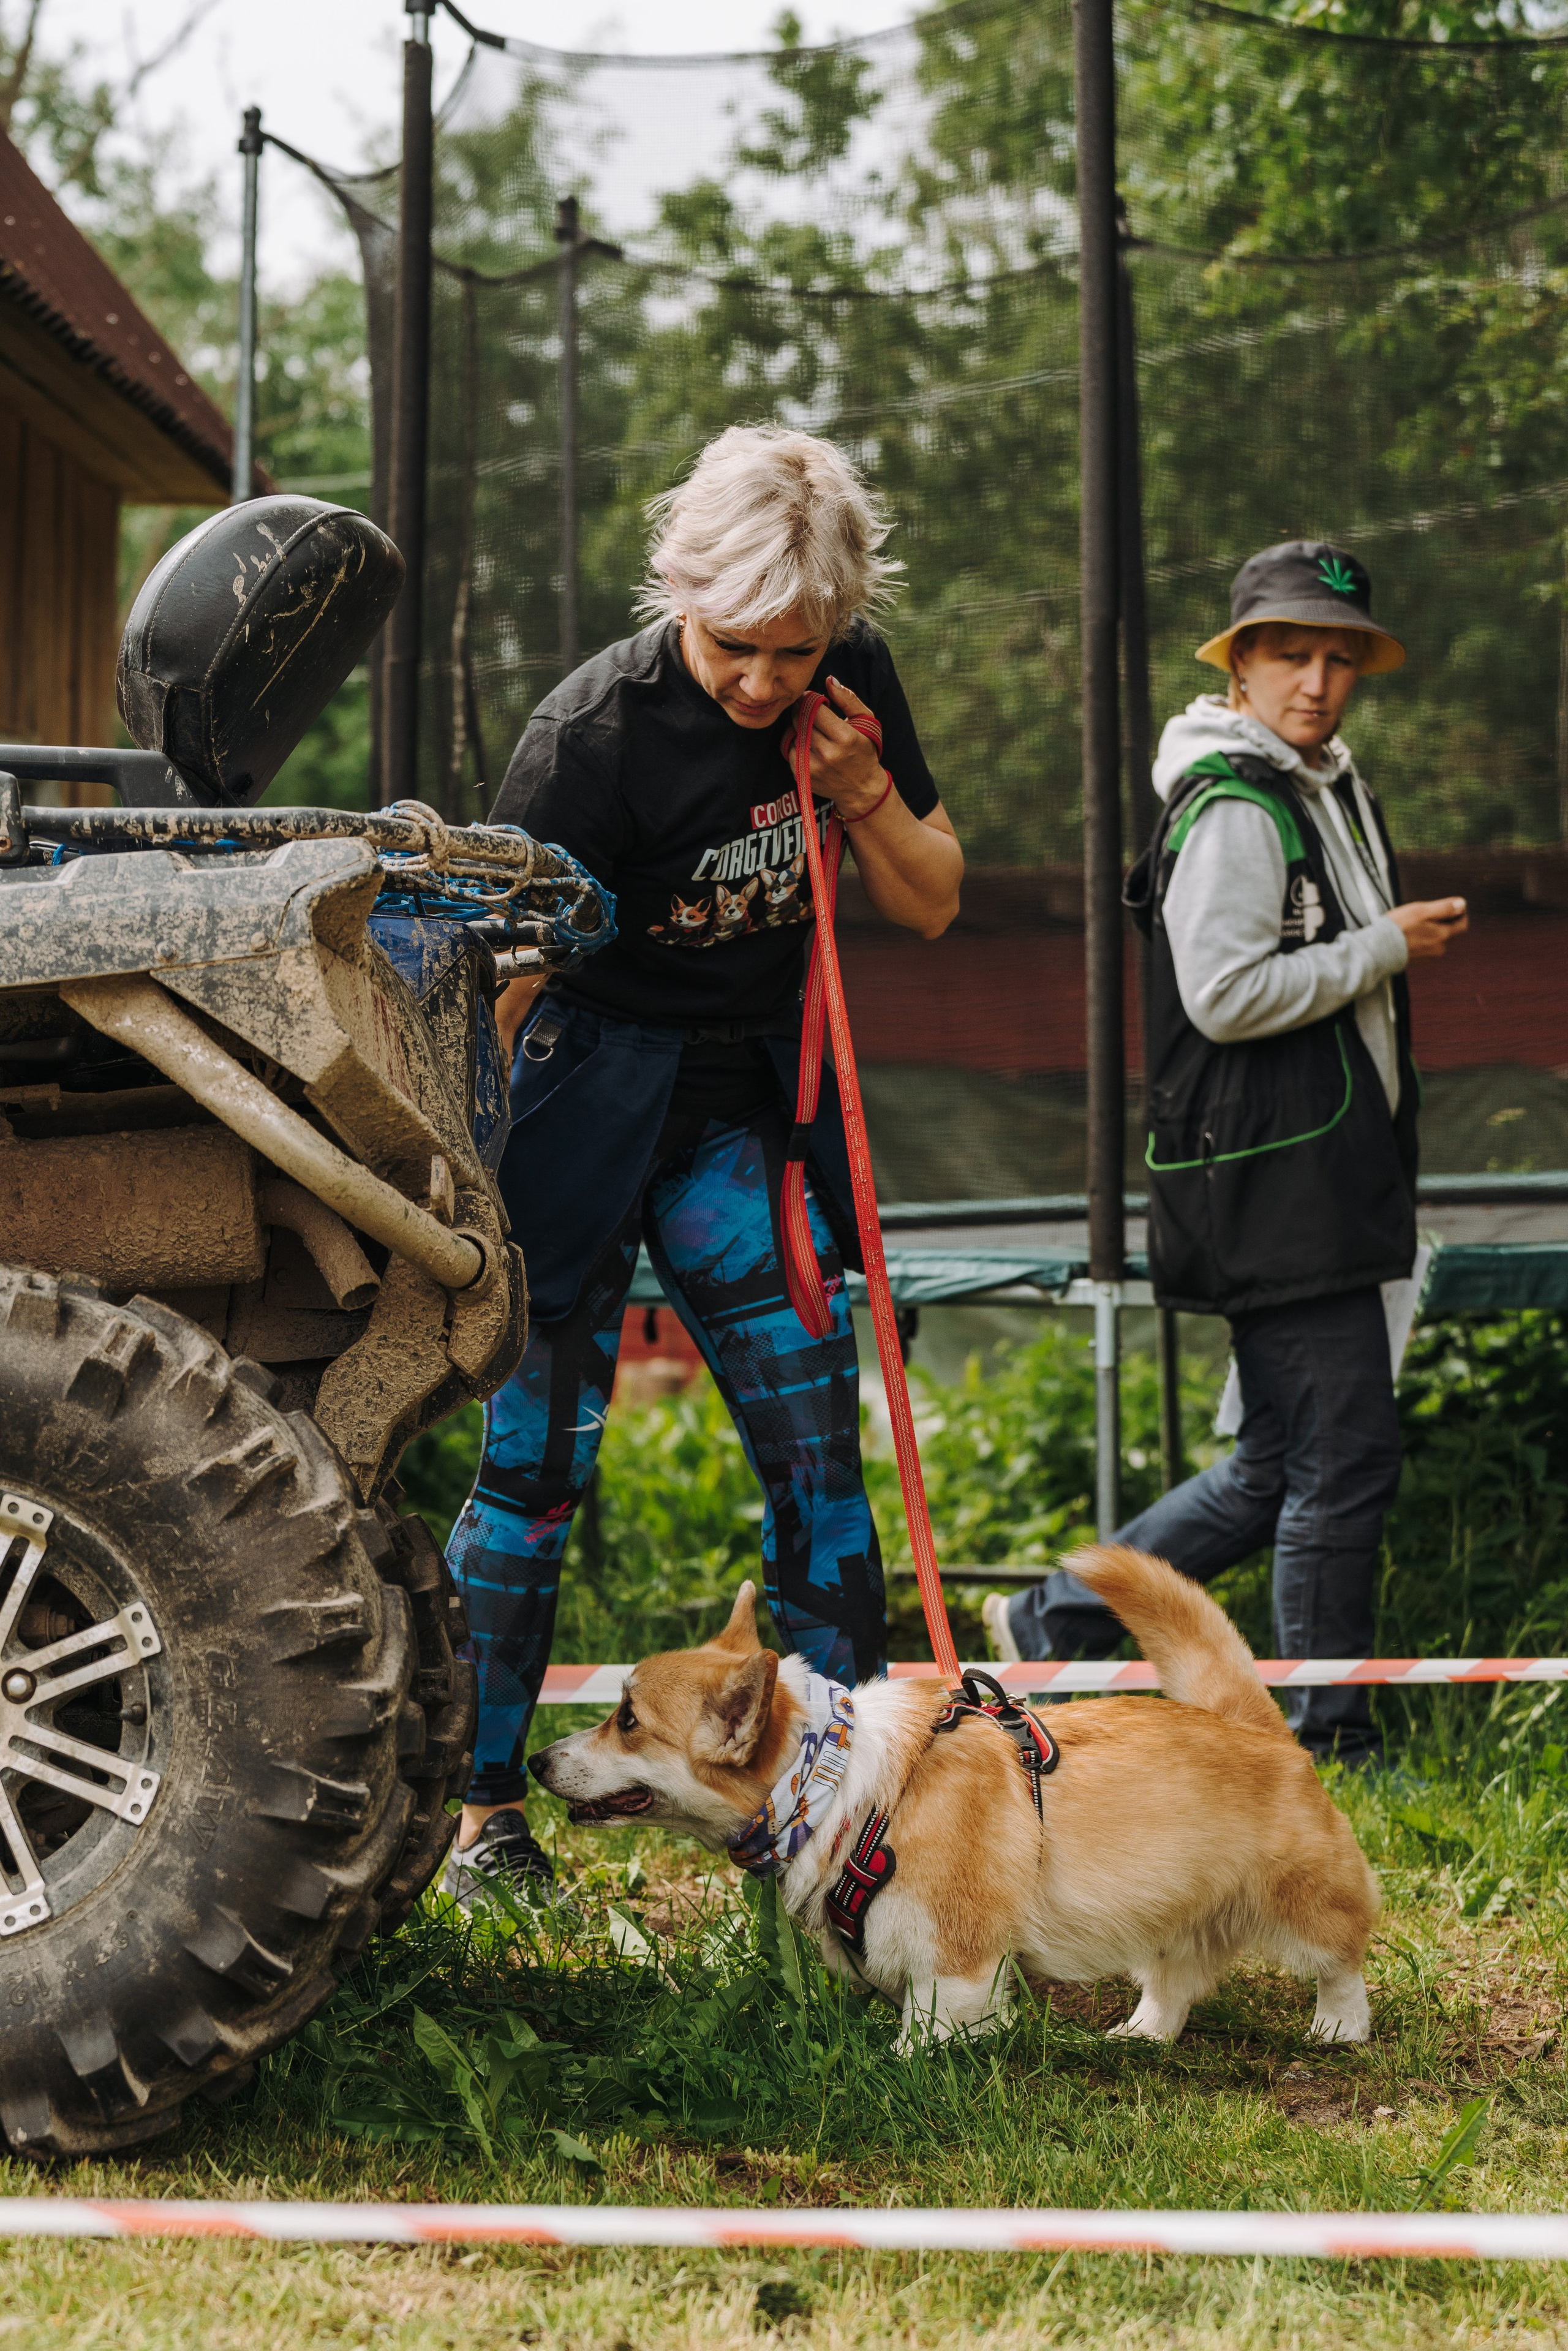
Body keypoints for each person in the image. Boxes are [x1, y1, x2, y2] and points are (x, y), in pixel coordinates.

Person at [442, 425, 963, 1904]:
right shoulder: (590, 736)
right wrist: (459, 1169)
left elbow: (929, 896)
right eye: (734, 647)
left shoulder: (844, 685)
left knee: (817, 1464)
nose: (758, 681)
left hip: (741, 1121)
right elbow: (499, 979)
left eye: (793, 654)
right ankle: (484, 1816)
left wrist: (858, 782)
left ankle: (858, 1823)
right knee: (534, 1470)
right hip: (574, 1107)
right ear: (681, 593)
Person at [984, 540, 1468, 1765]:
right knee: (1340, 1457)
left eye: (1337, 656)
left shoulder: (1317, 781)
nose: (1315, 678)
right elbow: (1222, 994)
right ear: (1239, 661)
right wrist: (1385, 946)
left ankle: (1054, 1614)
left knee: (1272, 1467)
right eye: (1289, 653)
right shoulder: (1235, 801)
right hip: (1272, 1185)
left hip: (1317, 1176)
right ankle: (1327, 1731)